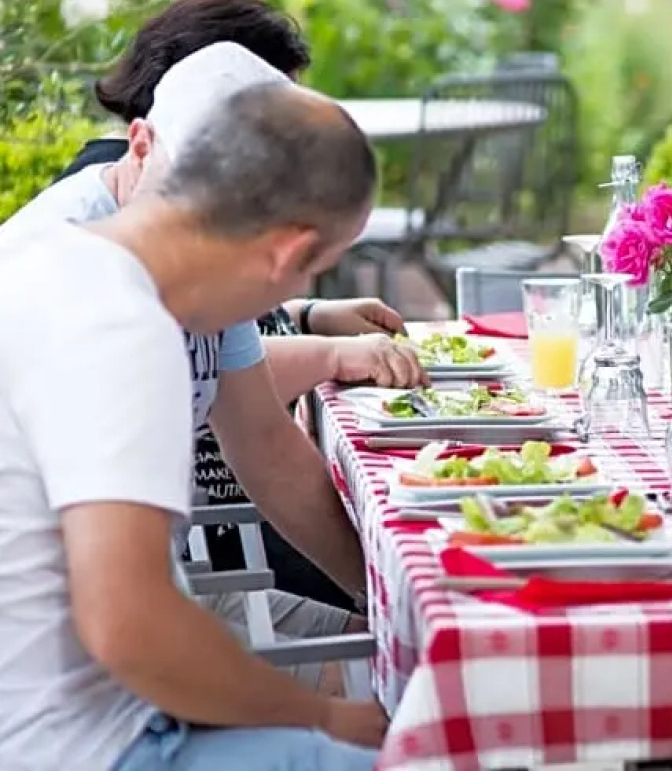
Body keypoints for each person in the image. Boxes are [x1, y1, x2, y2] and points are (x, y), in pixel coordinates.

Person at [0, 81, 385, 770]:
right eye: (314, 272)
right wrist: (327, 717)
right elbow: (131, 626)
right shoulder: (122, 325)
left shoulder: (45, 260)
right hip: (85, 747)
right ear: (286, 253)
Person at [41, 0, 425, 616]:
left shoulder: (180, 257)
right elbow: (116, 626)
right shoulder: (85, 290)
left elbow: (265, 442)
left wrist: (386, 600)